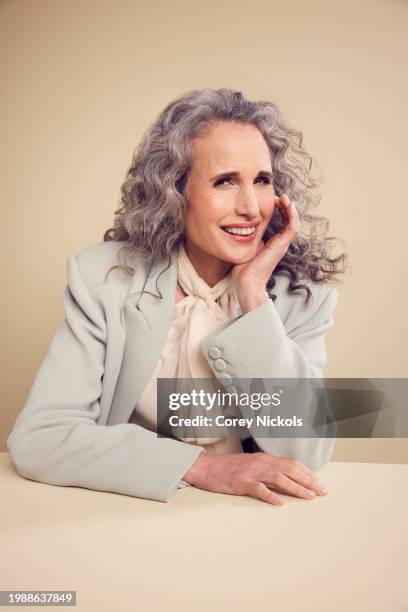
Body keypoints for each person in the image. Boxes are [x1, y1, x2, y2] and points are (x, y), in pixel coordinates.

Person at [7, 88, 347, 506]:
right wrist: (199, 467)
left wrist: (254, 300)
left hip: (256, 515)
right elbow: (40, 437)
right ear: (175, 192)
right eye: (225, 181)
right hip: (133, 507)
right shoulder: (103, 280)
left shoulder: (303, 296)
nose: (251, 208)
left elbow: (306, 454)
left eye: (261, 180)